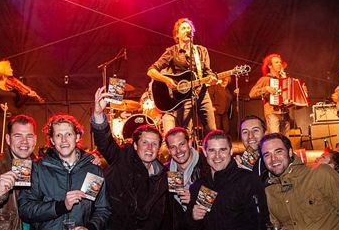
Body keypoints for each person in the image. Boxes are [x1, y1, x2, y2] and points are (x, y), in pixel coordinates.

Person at [92, 87, 168, 230]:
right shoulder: (122, 158)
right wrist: (98, 113)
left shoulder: (163, 176)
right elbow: (105, 143)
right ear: (134, 146)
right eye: (144, 143)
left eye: (154, 144)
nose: (149, 148)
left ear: (159, 148)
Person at [18, 114, 111, 229]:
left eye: (68, 134)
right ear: (52, 140)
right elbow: (25, 210)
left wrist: (90, 227)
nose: (64, 140)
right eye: (58, 135)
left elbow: (102, 209)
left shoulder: (92, 170)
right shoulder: (37, 169)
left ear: (77, 137)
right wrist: (61, 206)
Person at [259, 133, 339, 229]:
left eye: (278, 151)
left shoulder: (321, 174)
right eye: (267, 155)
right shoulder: (270, 191)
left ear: (290, 152)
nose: (273, 159)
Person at [147, 18, 218, 135]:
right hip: (184, 96)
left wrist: (212, 78)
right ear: (177, 34)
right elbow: (151, 71)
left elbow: (207, 71)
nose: (187, 30)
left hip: (202, 93)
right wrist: (166, 79)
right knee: (185, 132)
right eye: (183, 28)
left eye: (189, 28)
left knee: (211, 129)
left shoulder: (201, 51)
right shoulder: (172, 51)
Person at [186, 130, 269, 230]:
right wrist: (194, 217)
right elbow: (193, 226)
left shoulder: (247, 180)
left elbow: (260, 221)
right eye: (212, 150)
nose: (217, 156)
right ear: (204, 152)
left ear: (231, 151)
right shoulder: (199, 185)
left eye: (223, 150)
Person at [0, 60, 43, 156]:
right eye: (9, 68)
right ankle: (5, 167)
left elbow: (18, 104)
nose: (12, 70)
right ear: (3, 70)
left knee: (16, 143)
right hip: (1, 118)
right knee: (3, 144)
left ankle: (17, 168)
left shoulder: (13, 85)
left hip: (15, 118)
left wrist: (28, 96)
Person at [163, 127, 209, 230]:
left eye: (182, 144)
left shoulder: (206, 166)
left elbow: (220, 202)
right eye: (173, 147)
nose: (178, 151)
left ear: (189, 143)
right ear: (169, 150)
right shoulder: (166, 171)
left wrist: (194, 199)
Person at [249, 53, 291, 134]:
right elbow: (251, 93)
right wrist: (266, 89)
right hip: (272, 112)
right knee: (275, 138)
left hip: (285, 113)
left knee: (285, 141)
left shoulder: (286, 80)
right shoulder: (265, 79)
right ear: (270, 66)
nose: (279, 64)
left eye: (280, 62)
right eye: (276, 62)